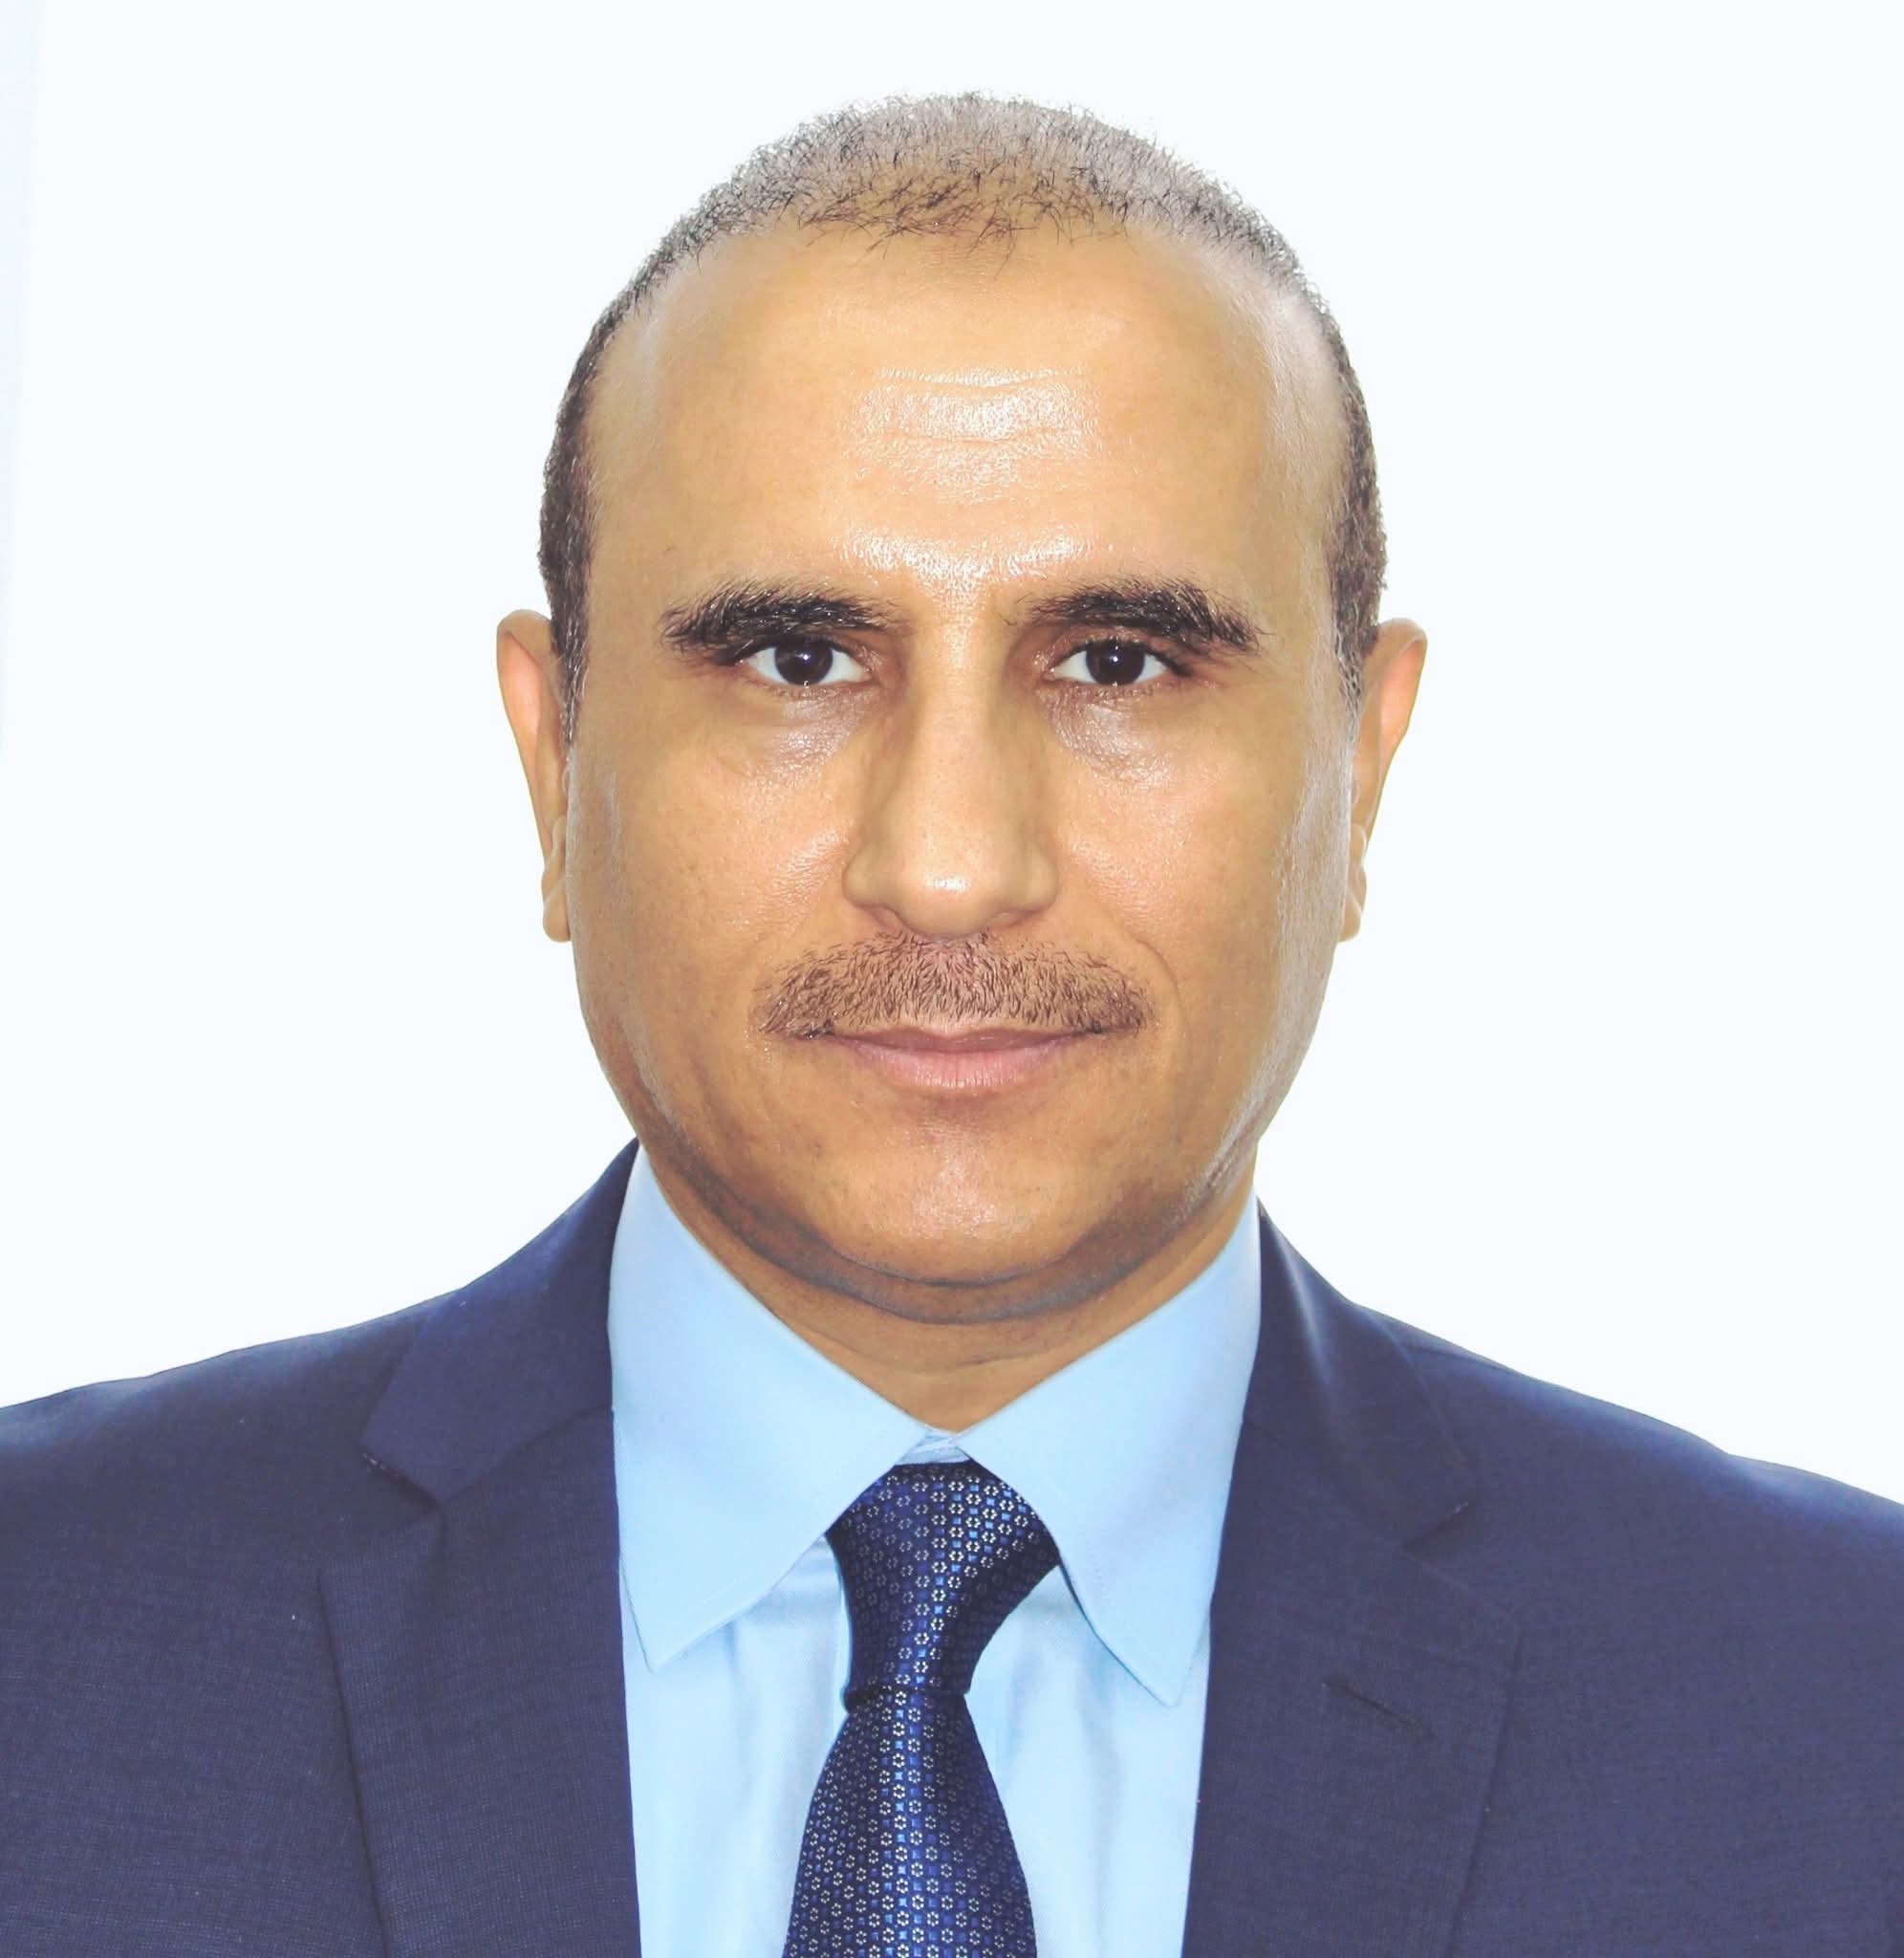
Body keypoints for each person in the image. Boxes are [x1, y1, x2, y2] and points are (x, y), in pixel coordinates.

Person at [2, 88, 1899, 1958]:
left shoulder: (1842, 1714)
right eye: (799, 658)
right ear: (554, 760)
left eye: (1117, 662)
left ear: (1362, 769)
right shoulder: (46, 1628)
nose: (951, 866)